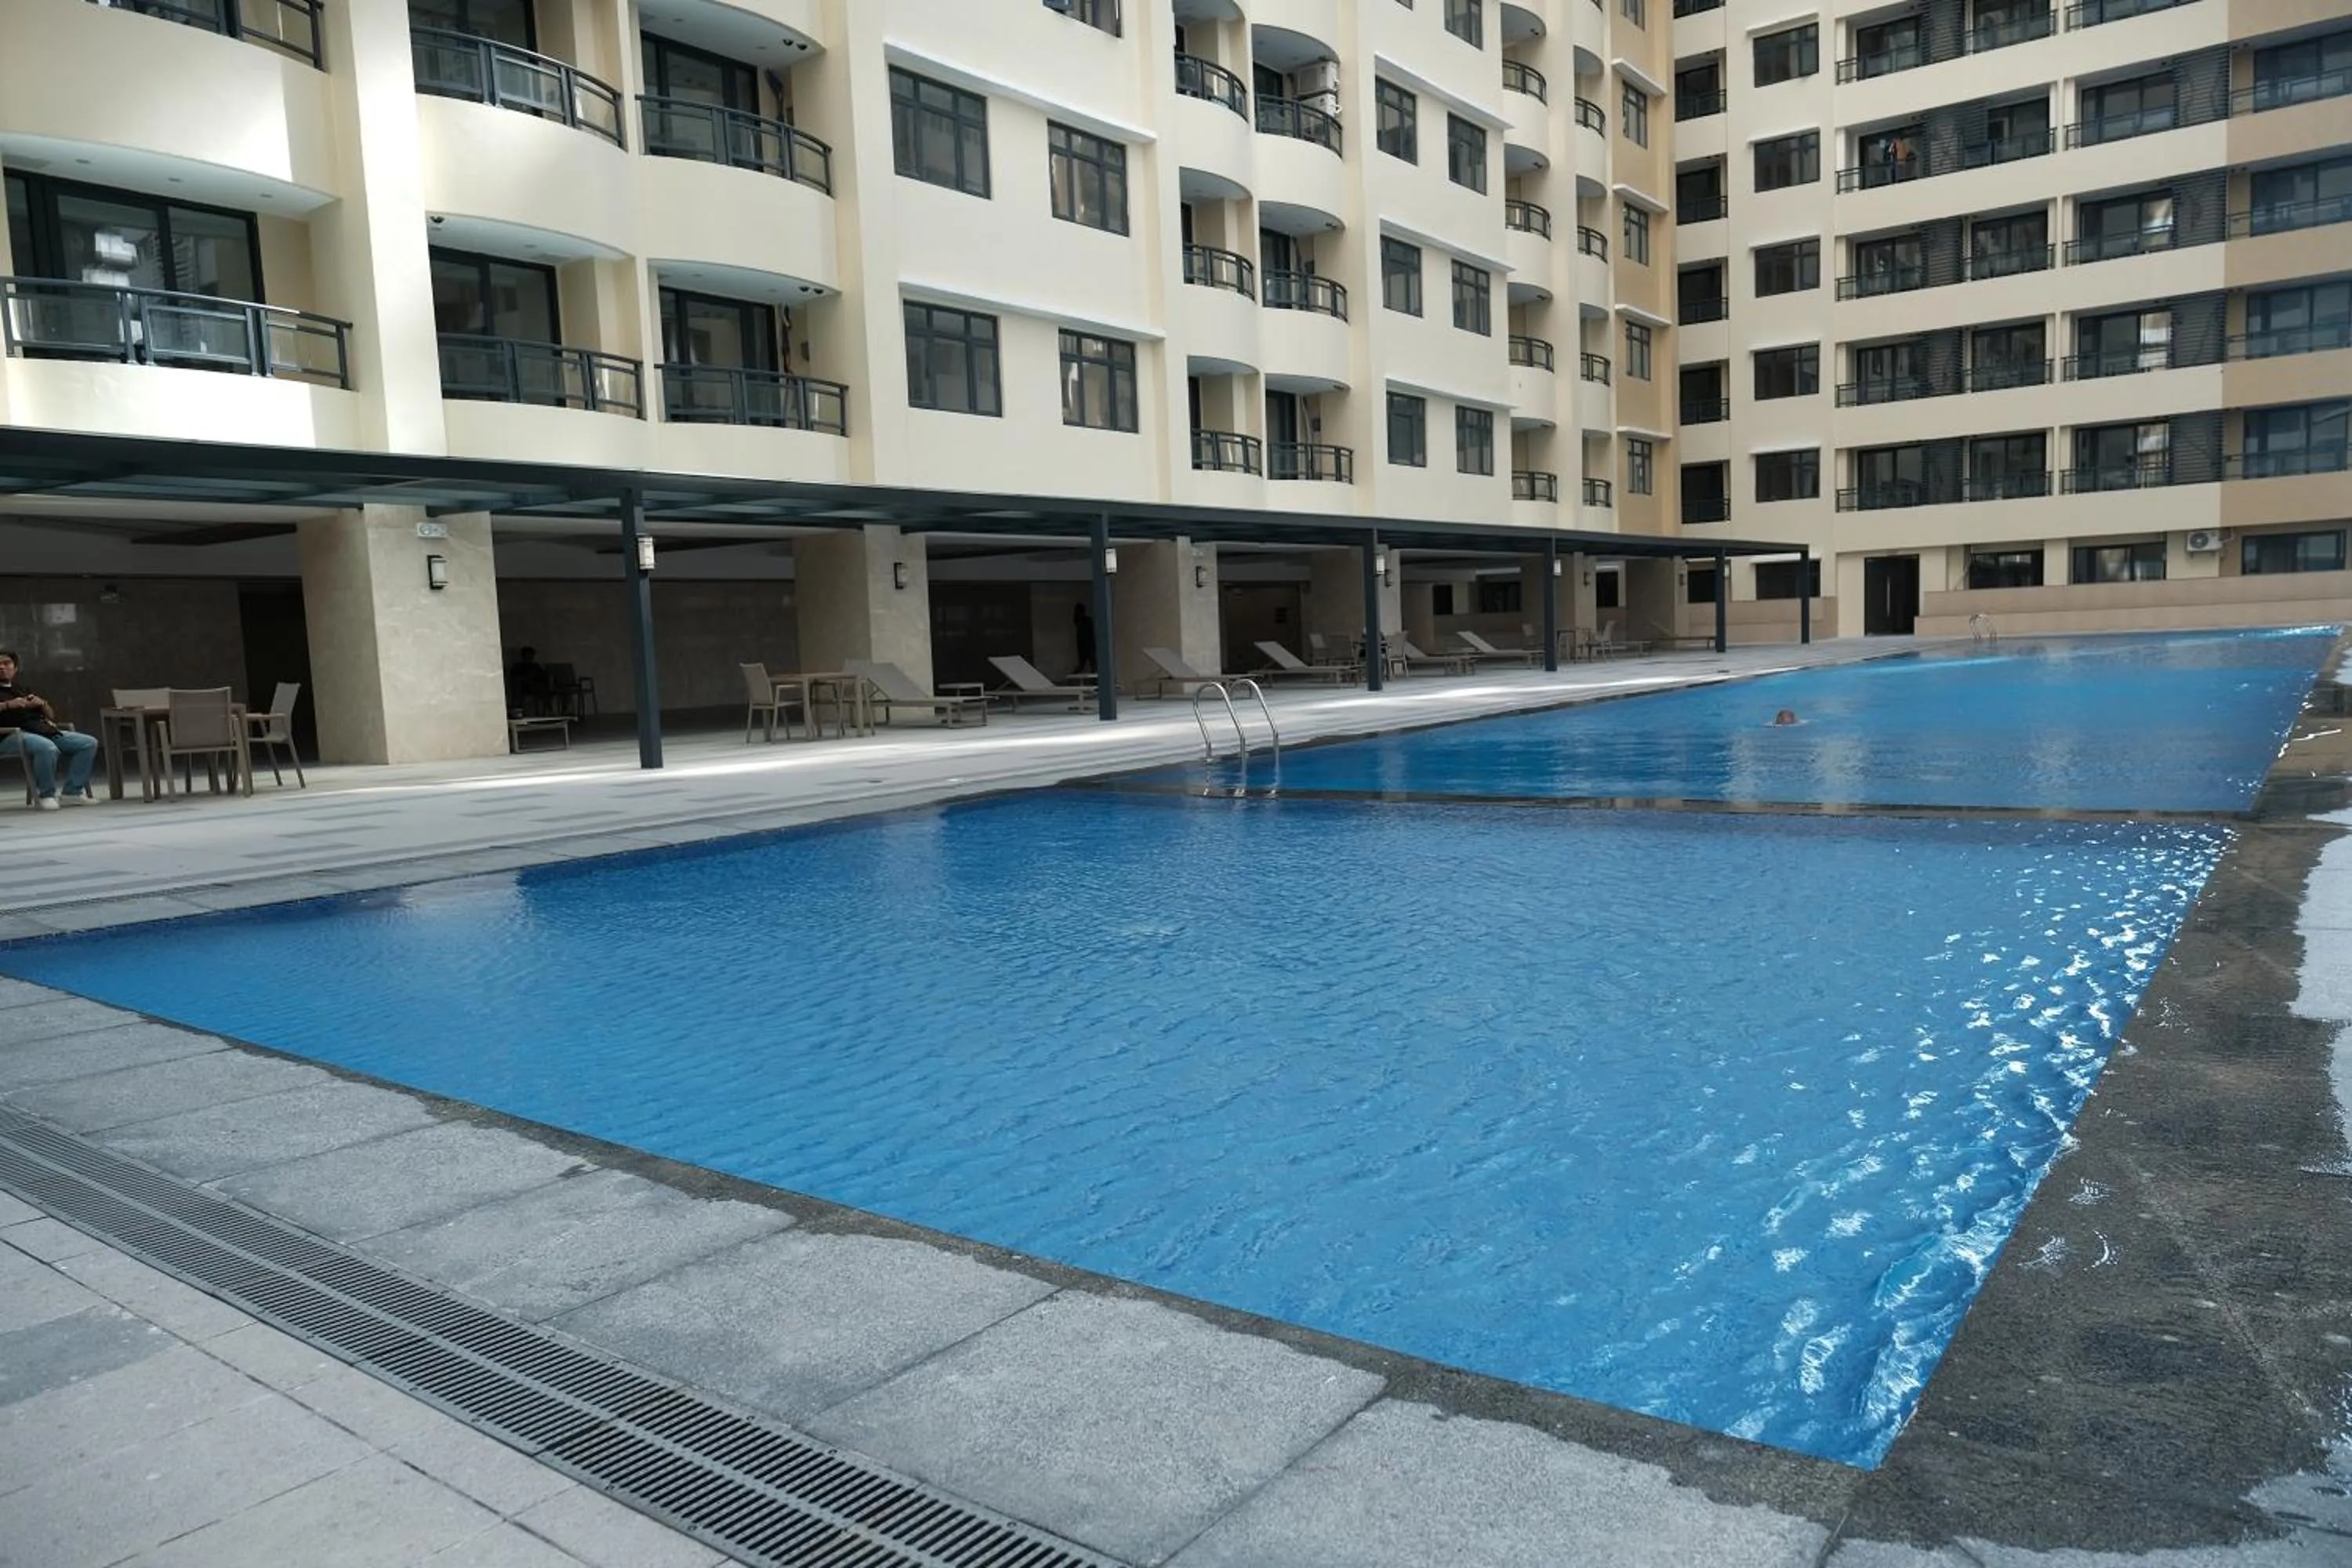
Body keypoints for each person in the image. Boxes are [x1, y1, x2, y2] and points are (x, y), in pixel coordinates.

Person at [0, 650, 102, 809]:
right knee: (46, 748)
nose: (2, 667)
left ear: (15, 667)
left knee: (88, 743)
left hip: (40, 729)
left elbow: (51, 715)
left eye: (7, 663)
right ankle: (46, 795)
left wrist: (42, 704)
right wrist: (7, 705)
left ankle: (72, 792)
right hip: (10, 735)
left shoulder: (22, 688)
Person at [1072, 602, 1097, 675]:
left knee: (1088, 664)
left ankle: (1094, 679)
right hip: (1086, 645)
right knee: (1088, 664)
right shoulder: (1084, 621)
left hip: (1086, 645)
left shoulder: (1085, 621)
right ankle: (1094, 679)